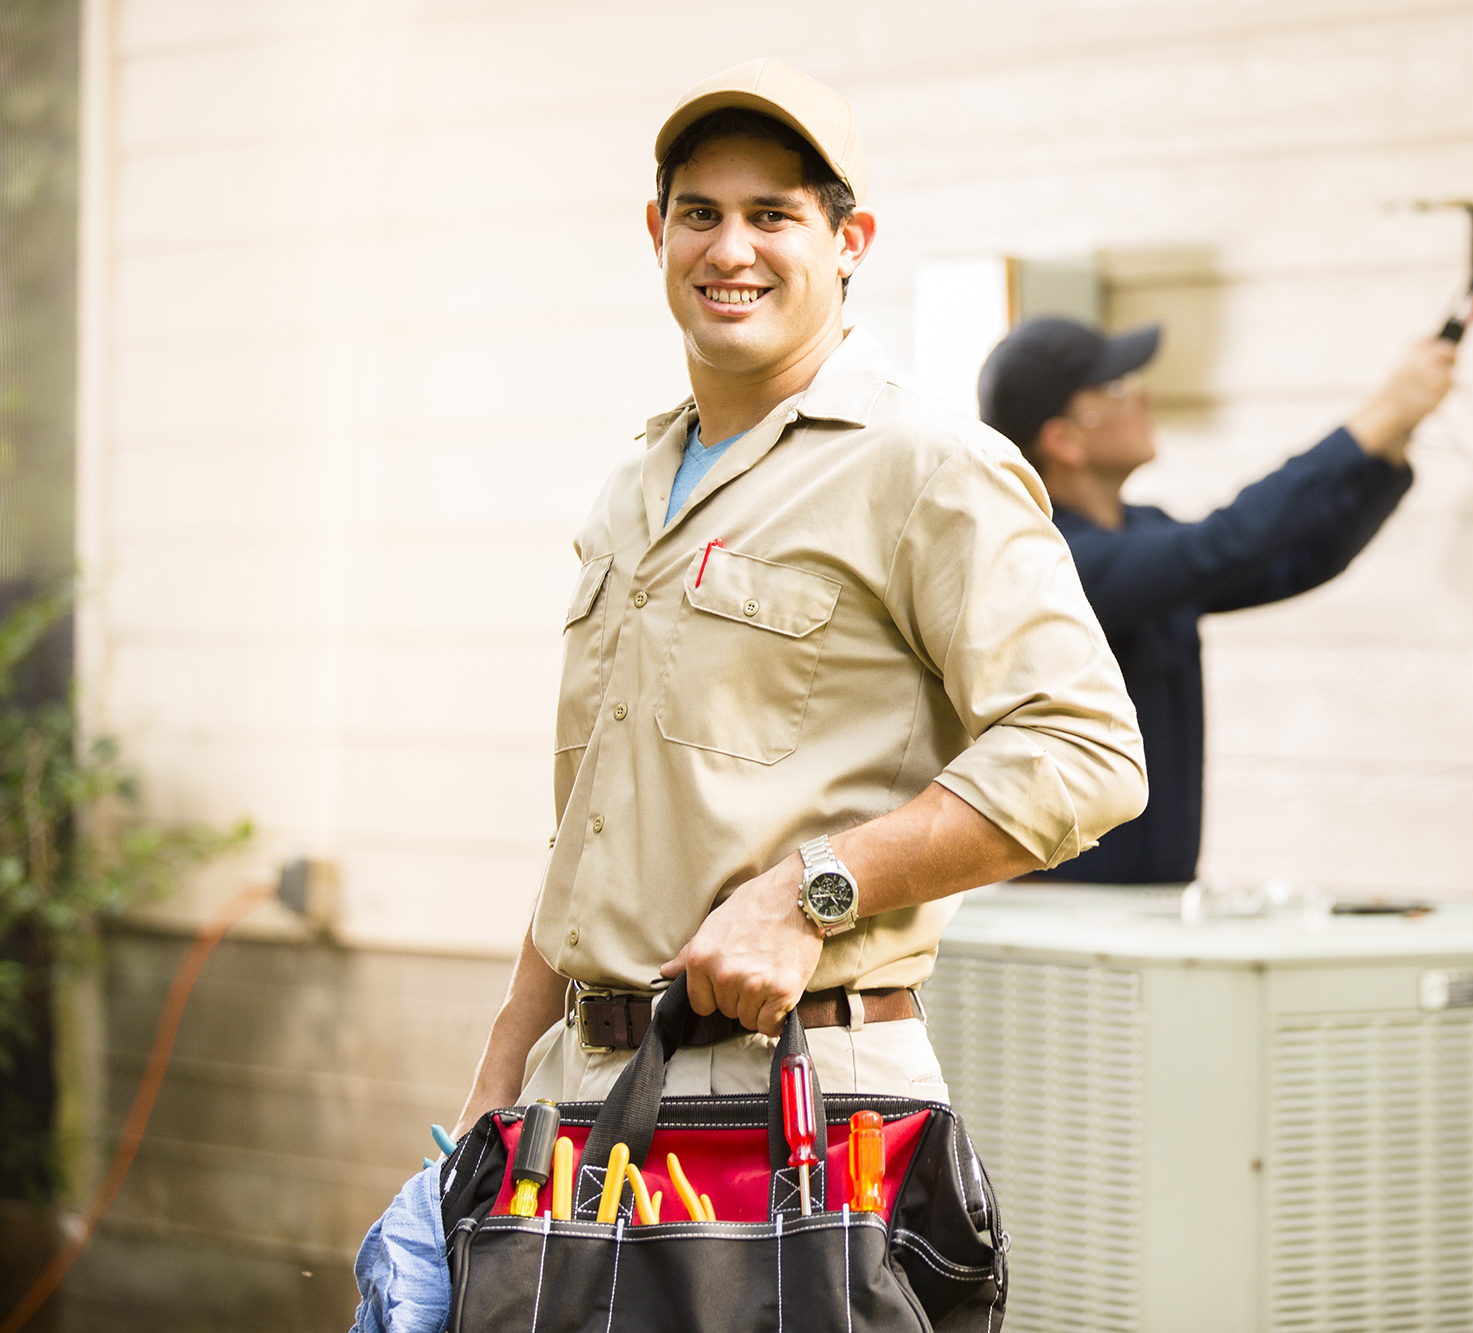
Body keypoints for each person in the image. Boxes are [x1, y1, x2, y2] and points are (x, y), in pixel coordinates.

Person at [449, 60, 1145, 1136]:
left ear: (848, 242)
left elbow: (1085, 750)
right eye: (700, 214)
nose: (730, 249)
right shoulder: (630, 490)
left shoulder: (925, 464)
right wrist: (500, 1076)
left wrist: (812, 888)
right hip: (576, 1097)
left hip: (798, 1096)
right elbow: (590, 829)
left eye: (771, 214)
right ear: (657, 233)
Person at [977, 318, 1454, 884]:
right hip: (1070, 907)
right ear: (1064, 440)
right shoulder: (1050, 559)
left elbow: (1296, 561)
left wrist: (1391, 442)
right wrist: (1378, 415)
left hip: (1156, 895)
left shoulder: (1139, 533)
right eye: (1114, 389)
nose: (1141, 396)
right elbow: (1225, 544)